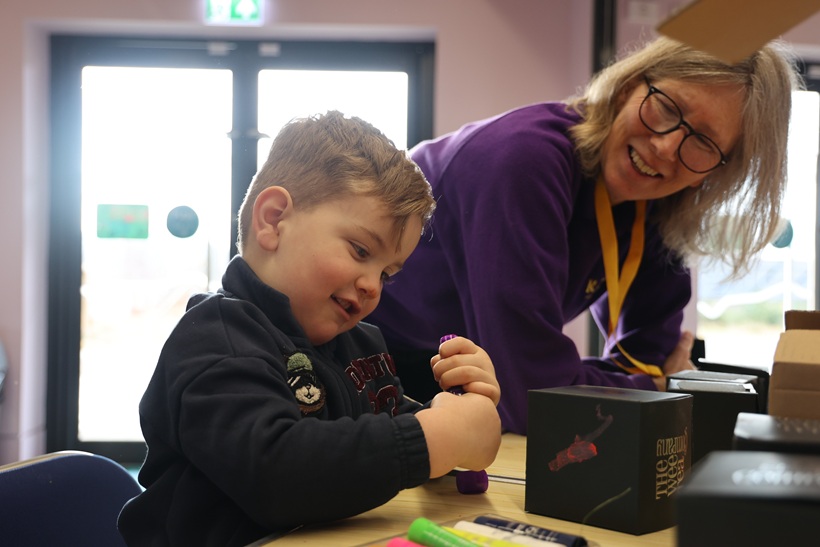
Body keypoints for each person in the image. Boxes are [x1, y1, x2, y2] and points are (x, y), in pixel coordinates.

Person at [367, 36, 803, 435]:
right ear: (629, 86)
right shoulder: (523, 161)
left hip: (448, 384)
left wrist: (630, 380)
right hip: (366, 373)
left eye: (704, 142)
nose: (666, 146)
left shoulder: (655, 203)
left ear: (719, 172)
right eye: (667, 108)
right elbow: (533, 398)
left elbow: (651, 355)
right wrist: (652, 387)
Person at [117, 111, 502, 546]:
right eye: (360, 251)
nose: (373, 286)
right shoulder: (216, 339)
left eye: (387, 274)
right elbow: (276, 474)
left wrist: (460, 416)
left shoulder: (361, 344)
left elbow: (381, 445)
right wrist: (432, 438)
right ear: (273, 220)